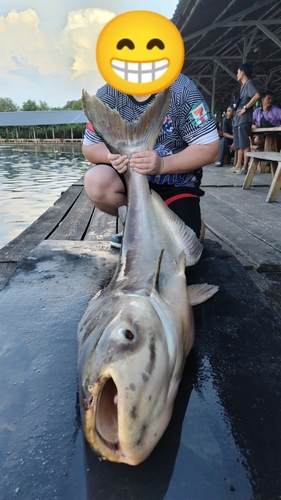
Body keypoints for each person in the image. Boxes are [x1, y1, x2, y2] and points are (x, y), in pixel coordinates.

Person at [82, 74, 220, 248]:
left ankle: (179, 220)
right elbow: (89, 147)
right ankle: (138, 224)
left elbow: (211, 148)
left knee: (186, 249)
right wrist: (112, 156)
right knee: (96, 181)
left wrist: (162, 164)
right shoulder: (108, 94)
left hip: (175, 184)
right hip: (130, 183)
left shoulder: (183, 89)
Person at [230, 63, 260, 174]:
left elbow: (257, 95)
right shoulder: (243, 86)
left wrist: (245, 108)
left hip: (244, 118)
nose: (237, 74)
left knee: (244, 143)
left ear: (243, 72)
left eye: (238, 72)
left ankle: (245, 166)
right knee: (238, 144)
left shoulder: (249, 83)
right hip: (238, 119)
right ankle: (238, 165)